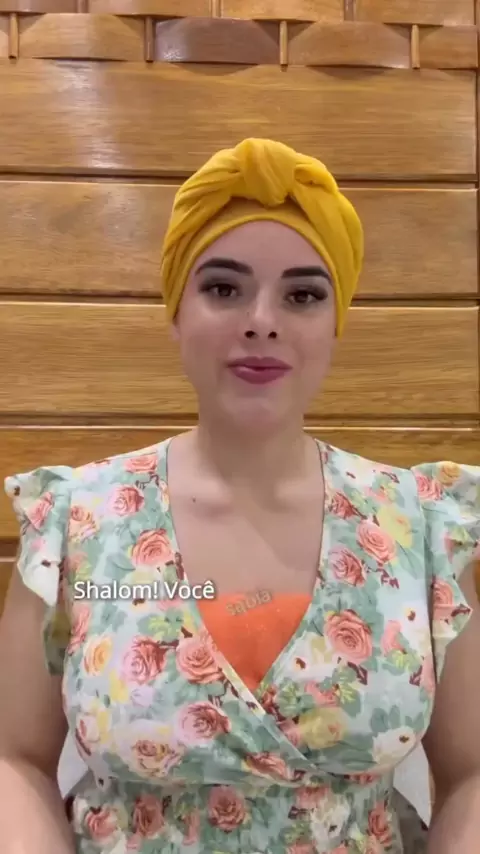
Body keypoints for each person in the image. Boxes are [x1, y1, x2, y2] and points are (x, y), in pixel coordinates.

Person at [0, 138, 479, 854]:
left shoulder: (420, 526)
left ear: (336, 322)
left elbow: (472, 773)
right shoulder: (76, 520)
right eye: (224, 288)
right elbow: (14, 760)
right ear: (176, 312)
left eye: (302, 294)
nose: (262, 320)